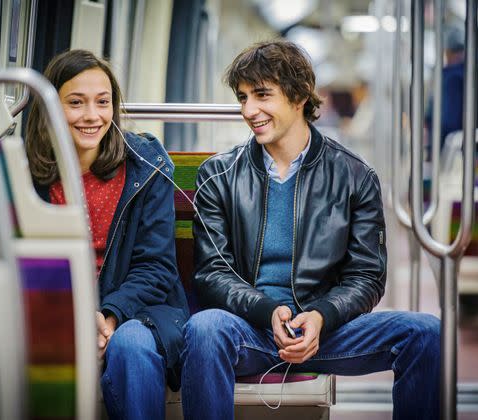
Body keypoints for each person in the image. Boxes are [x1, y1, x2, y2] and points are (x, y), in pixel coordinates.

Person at [180, 40, 441, 420]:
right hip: (250, 328)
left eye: (262, 95)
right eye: (243, 98)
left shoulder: (355, 176)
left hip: (327, 331)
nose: (249, 110)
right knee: (205, 328)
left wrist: (320, 316)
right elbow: (212, 274)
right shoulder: (219, 176)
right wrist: (268, 311)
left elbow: (367, 276)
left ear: (300, 95)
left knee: (426, 333)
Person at [25, 49, 189, 420]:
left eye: (103, 102)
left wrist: (108, 317)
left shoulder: (145, 166)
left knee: (131, 344)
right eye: (76, 103)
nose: (92, 116)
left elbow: (157, 266)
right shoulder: (23, 174)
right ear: (50, 107)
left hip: (139, 312)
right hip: (53, 310)